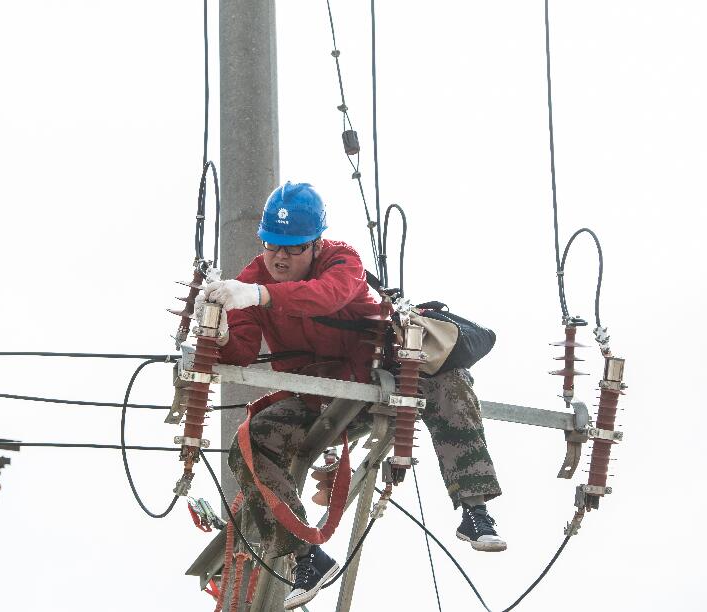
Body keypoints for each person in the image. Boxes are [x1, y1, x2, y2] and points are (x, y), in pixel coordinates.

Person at [203, 181, 505, 610]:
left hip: (376, 384)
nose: (280, 257)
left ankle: (474, 507)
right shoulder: (252, 280)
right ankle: (305, 556)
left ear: (316, 244)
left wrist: (259, 295)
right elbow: (243, 352)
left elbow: (329, 296)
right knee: (253, 441)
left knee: (448, 381)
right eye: (272, 245)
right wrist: (219, 332)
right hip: (316, 396)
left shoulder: (341, 260)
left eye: (293, 247)